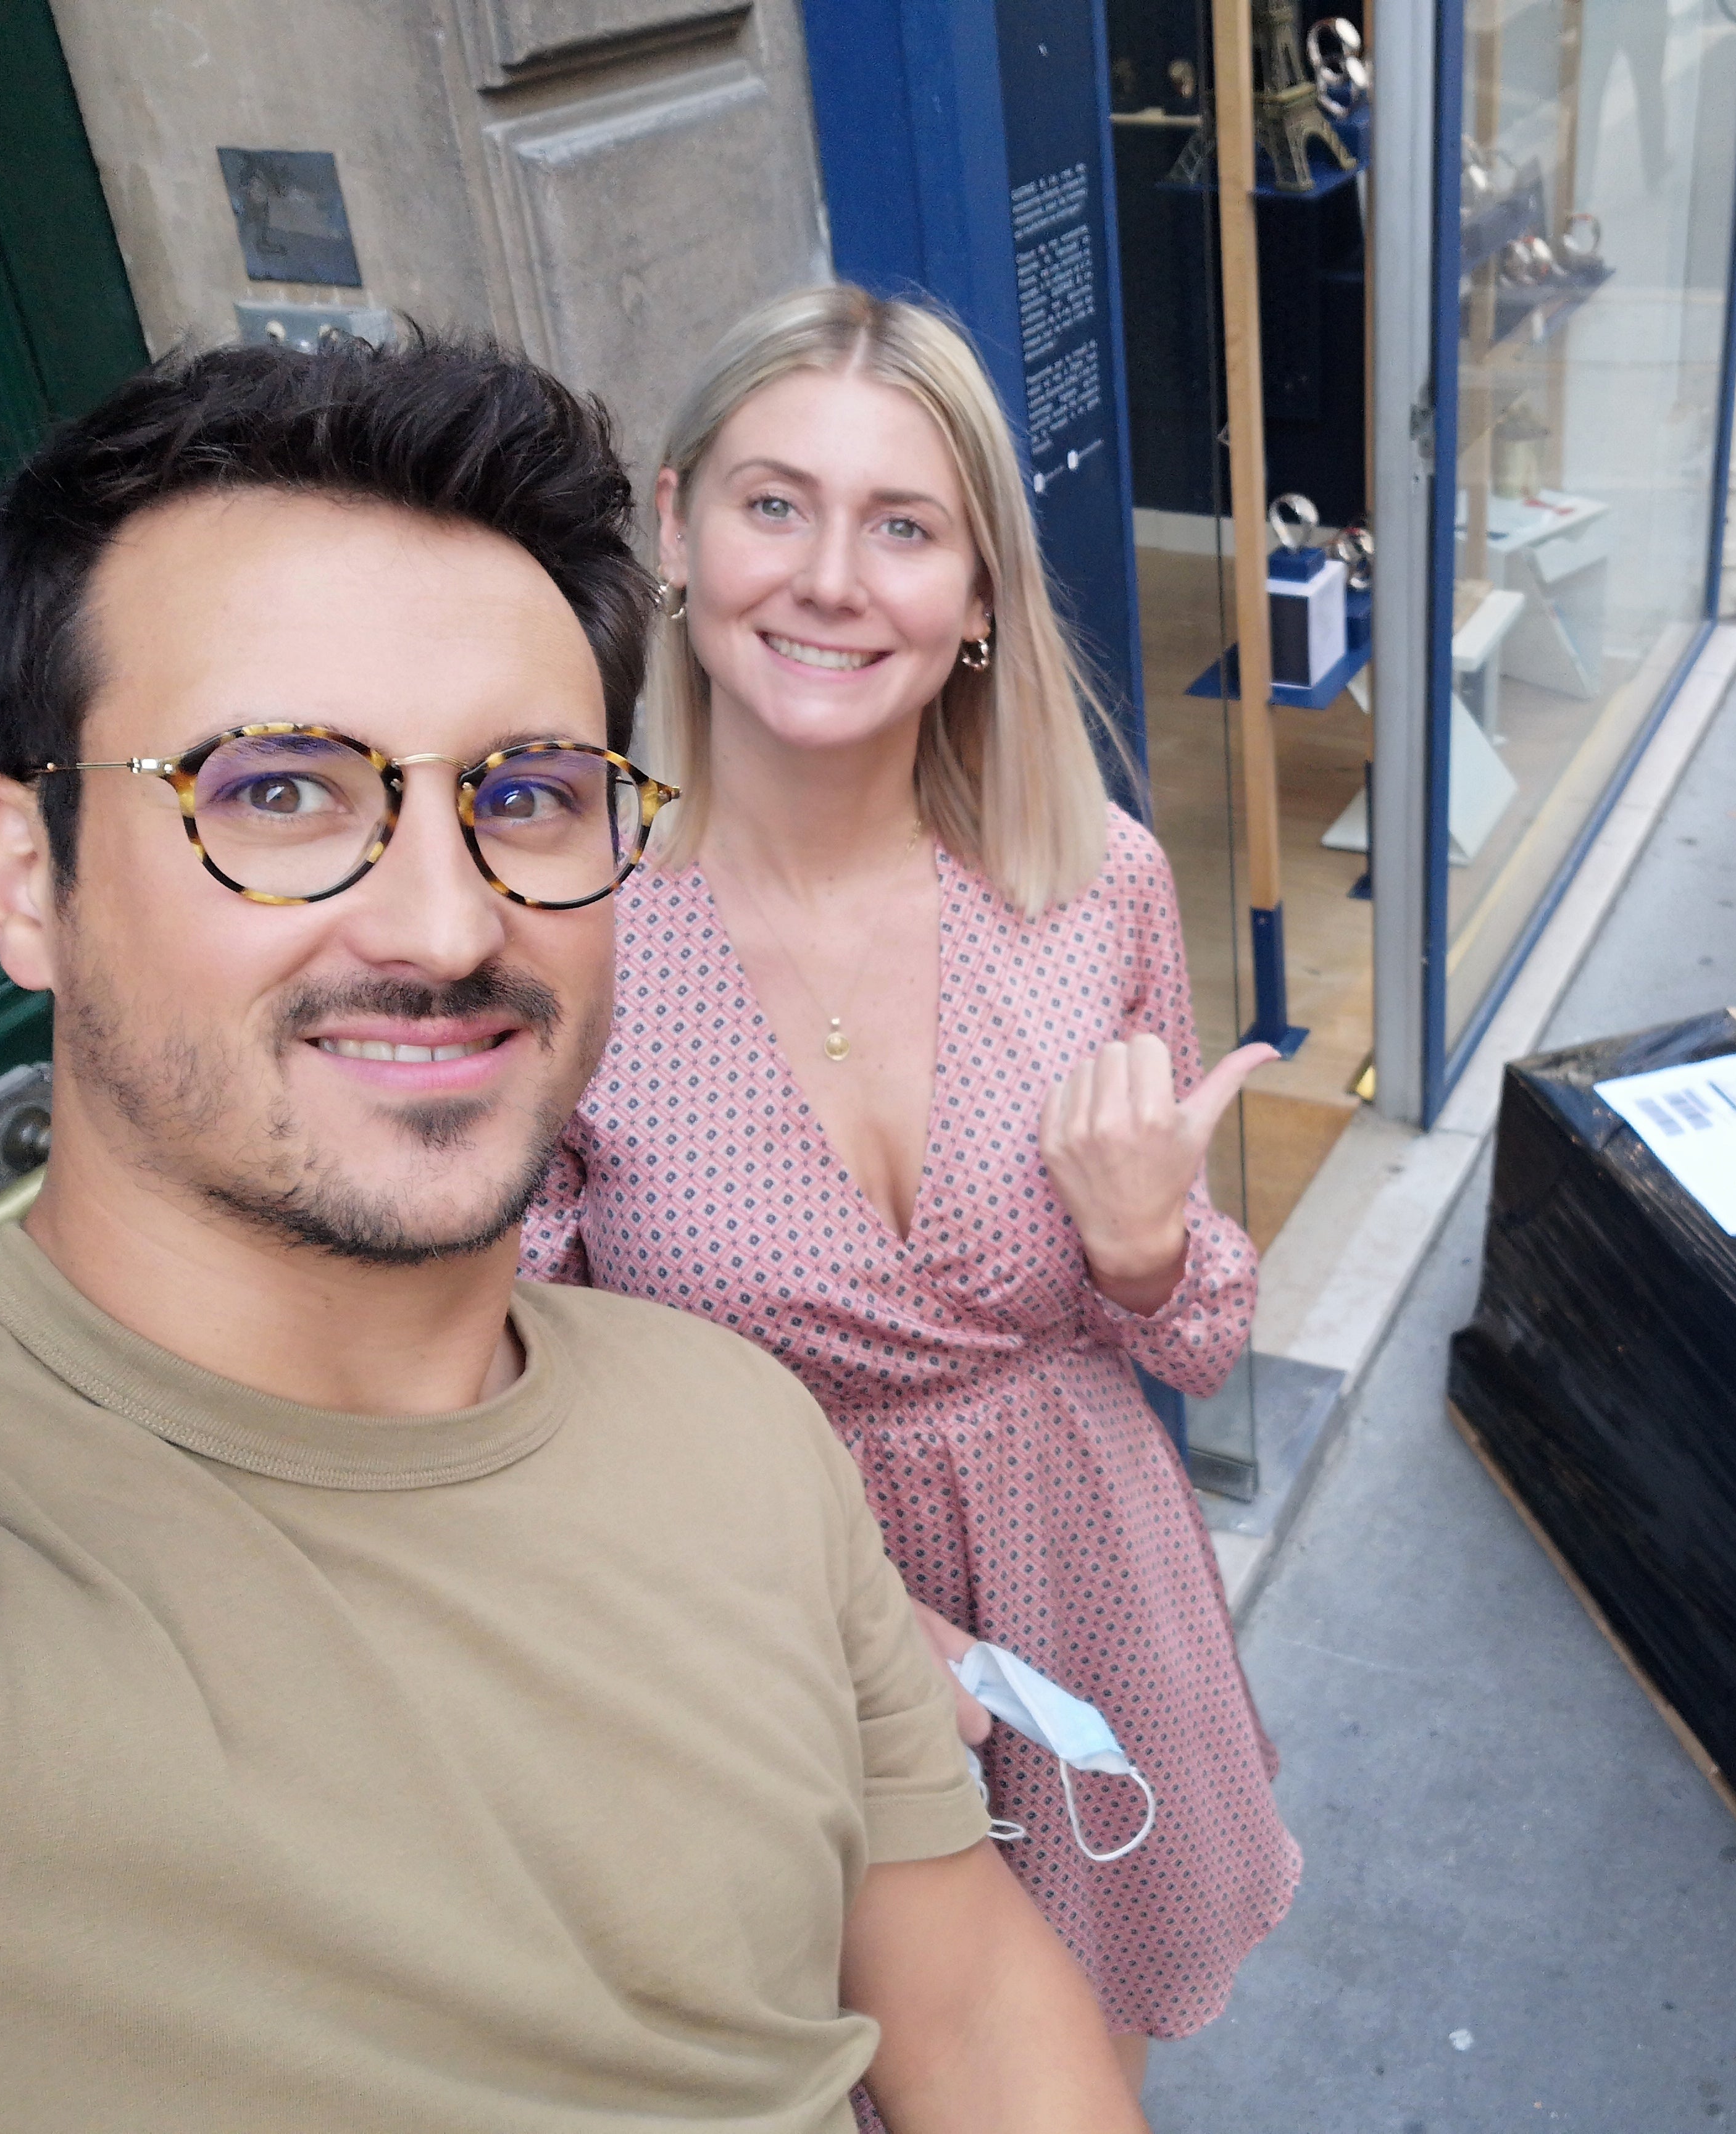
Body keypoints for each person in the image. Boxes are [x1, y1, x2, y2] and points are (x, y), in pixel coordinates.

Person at [0, 335, 1146, 2134]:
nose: (443, 922)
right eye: (277, 790)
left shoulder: (735, 1424)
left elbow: (964, 2002)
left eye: (528, 796)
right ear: (29, 877)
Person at [519, 284, 1299, 2097]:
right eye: (773, 504)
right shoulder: (560, 918)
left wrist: (1146, 1247)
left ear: (977, 594)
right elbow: (518, 1382)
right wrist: (838, 1620)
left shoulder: (1088, 882)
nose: (828, 580)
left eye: (902, 527)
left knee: (1078, 2078)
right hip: (752, 1632)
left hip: (1085, 1593)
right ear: (675, 527)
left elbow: (1197, 1338)